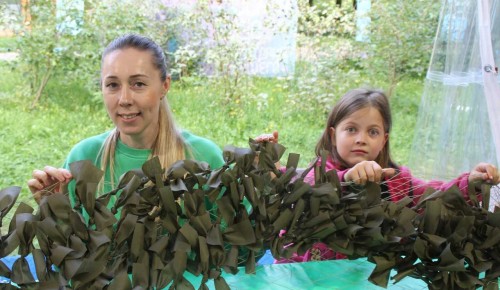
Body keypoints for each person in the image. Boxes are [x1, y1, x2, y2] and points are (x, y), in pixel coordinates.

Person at [256, 87, 499, 263]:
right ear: (333, 135)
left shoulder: (397, 181)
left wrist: (470, 183)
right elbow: (295, 190)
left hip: (364, 280)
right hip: (306, 278)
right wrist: (265, 161)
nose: (361, 138)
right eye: (351, 129)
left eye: (372, 132)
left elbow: (434, 197)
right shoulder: (316, 175)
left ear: (384, 140)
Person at [28, 34, 224, 217]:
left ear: (164, 86)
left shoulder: (204, 158)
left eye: (138, 84)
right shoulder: (84, 158)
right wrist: (53, 209)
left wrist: (255, 184)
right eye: (113, 85)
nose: (124, 99)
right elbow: (71, 247)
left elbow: (237, 244)